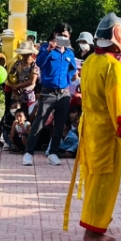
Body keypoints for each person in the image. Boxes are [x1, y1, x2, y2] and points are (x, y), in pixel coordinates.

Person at [63, 12, 121, 241]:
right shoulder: (112, 66)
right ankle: (93, 229)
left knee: (94, 176)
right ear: (118, 35)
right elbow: (118, 104)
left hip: (90, 127)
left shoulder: (91, 60)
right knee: (104, 179)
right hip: (106, 130)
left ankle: (95, 222)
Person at [31, 26, 77, 167]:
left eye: (65, 35)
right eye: (60, 34)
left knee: (60, 124)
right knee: (40, 122)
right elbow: (39, 63)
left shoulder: (69, 53)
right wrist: (49, 50)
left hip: (63, 93)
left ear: (69, 37)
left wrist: (66, 81)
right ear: (55, 35)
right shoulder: (46, 48)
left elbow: (73, 69)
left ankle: (53, 153)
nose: (62, 37)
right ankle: (29, 152)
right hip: (48, 91)